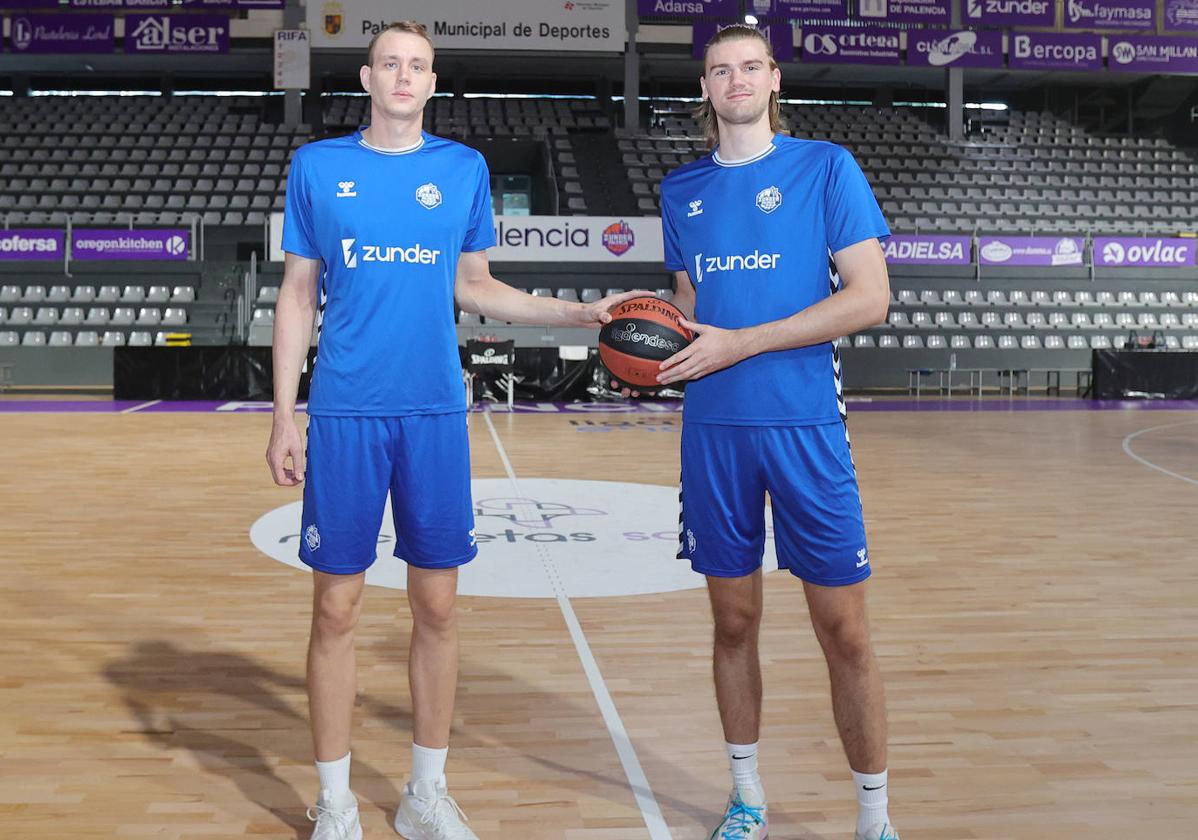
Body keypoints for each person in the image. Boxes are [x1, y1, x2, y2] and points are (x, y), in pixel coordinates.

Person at [266, 21, 640, 840]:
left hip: (434, 411)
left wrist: (575, 309)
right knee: (336, 608)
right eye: (391, 64)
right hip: (347, 411)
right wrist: (285, 414)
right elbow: (297, 297)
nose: (404, 76)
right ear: (367, 78)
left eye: (419, 66)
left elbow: (477, 286)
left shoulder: (462, 170)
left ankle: (422, 793)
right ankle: (333, 801)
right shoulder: (318, 169)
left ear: (433, 83)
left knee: (438, 606)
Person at [654, 24, 899, 840]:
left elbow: (869, 297)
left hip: (805, 429)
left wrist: (745, 340)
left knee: (845, 630)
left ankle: (874, 817)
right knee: (733, 624)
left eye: (749, 66)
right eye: (719, 70)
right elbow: (689, 312)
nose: (735, 80)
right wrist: (648, 328)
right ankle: (747, 796)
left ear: (773, 78)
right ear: (705, 89)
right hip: (715, 435)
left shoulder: (825, 168)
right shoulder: (682, 189)